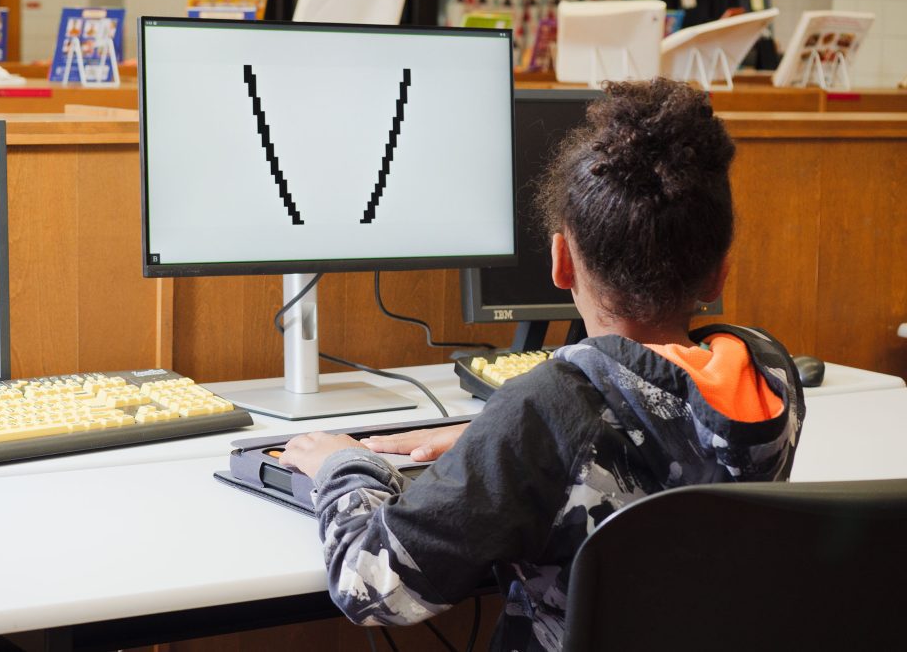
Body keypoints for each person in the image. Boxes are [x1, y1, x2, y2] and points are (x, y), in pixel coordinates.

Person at [281, 77, 805, 651]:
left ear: (560, 262)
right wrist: (495, 438)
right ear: (718, 274)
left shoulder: (554, 405)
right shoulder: (768, 370)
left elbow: (374, 588)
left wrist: (345, 466)